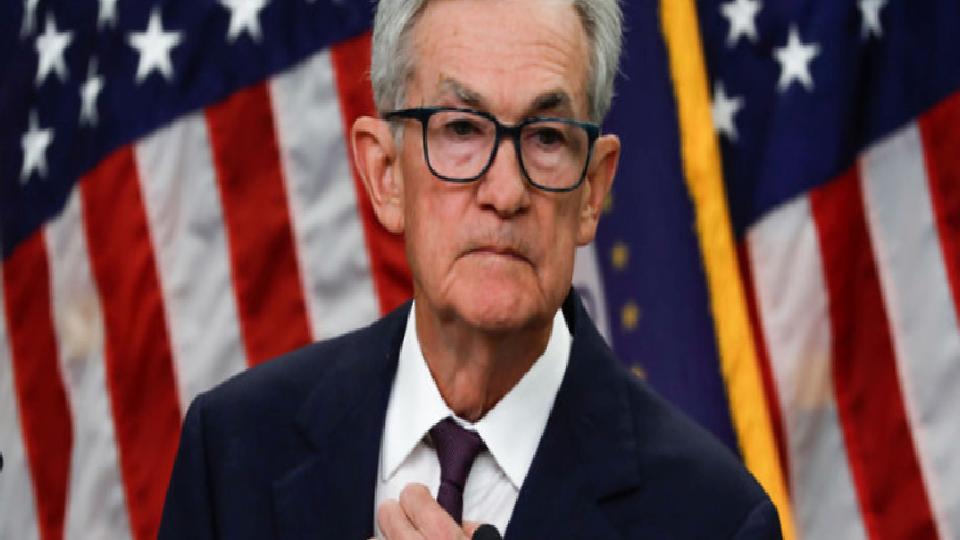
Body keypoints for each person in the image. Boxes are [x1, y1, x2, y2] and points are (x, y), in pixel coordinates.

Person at [159, 0, 783, 538]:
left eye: (547, 137)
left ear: (592, 191)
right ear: (385, 174)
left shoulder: (716, 520)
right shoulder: (234, 451)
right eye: (461, 128)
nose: (505, 192)